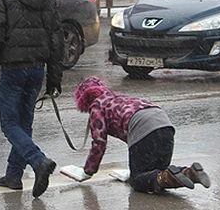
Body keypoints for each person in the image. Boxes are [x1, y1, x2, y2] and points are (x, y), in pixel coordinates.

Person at [0, 0, 64, 197]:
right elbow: (56, 38)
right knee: (24, 122)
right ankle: (13, 175)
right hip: (37, 68)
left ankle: (38, 161)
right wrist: (54, 78)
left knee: (9, 124)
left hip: (13, 69)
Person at [73, 77, 210, 193]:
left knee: (137, 180)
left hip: (143, 129)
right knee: (159, 171)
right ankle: (190, 173)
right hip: (165, 125)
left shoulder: (97, 106)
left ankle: (166, 177)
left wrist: (88, 171)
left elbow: (99, 143)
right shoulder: (119, 97)